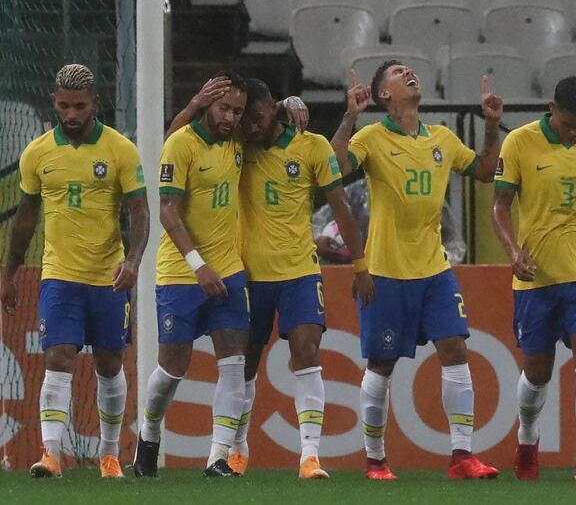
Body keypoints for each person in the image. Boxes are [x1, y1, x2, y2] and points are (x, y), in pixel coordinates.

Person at [166, 77, 375, 478]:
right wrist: (195, 105)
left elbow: (341, 204)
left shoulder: (310, 145)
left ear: (273, 112)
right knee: (243, 366)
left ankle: (310, 456)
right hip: (248, 274)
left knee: (308, 352)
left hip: (299, 272)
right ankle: (238, 447)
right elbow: (175, 142)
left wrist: (360, 265)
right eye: (246, 119)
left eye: (257, 118)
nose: (250, 126)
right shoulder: (237, 146)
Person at [331, 63, 502, 480]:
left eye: (409, 69)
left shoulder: (442, 138)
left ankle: (462, 456)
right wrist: (350, 117)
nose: (409, 73)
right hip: (386, 271)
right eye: (396, 72)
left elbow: (482, 171)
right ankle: (375, 459)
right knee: (382, 364)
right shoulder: (371, 137)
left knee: (456, 349)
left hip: (435, 268)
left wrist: (492, 126)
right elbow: (334, 166)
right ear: (383, 95)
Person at [0, 64, 149, 479]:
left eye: (79, 106)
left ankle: (108, 454)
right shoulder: (37, 153)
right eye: (64, 105)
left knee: (109, 364)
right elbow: (26, 220)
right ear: (54, 101)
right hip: (59, 276)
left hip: (108, 277)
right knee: (57, 357)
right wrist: (10, 275)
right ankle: (51, 454)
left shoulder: (120, 150)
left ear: (95, 104)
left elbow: (139, 212)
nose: (72, 114)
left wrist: (133, 261)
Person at [493, 76, 576, 482]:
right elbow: (500, 206)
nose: (574, 132)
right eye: (567, 125)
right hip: (536, 275)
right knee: (538, 370)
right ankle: (527, 438)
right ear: (551, 108)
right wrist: (513, 252)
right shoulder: (519, 142)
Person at [133, 71, 250, 478]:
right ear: (206, 105)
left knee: (234, 362)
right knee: (172, 369)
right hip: (182, 273)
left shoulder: (237, 143)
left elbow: (271, 121)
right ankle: (148, 434)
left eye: (237, 110)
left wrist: (292, 107)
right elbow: (167, 210)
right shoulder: (181, 144)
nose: (231, 118)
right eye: (224, 108)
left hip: (230, 271)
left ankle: (218, 457)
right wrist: (199, 265)